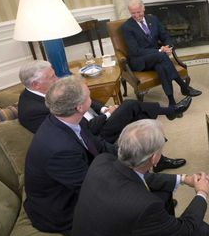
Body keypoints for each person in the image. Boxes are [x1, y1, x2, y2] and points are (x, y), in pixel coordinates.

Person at [70, 119, 209, 236]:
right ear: (154, 158)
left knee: (163, 193)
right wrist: (202, 194)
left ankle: (164, 229)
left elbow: (140, 177)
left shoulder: (102, 161)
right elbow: (184, 232)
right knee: (200, 232)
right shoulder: (144, 206)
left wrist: (183, 179)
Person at [17, 60, 187, 172]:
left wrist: (105, 110)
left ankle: (154, 156)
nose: (57, 78)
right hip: (92, 134)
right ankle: (168, 118)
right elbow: (78, 131)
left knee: (136, 113)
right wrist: (106, 116)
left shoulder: (51, 91)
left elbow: (83, 100)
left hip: (92, 125)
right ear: (36, 84)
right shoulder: (32, 110)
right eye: (51, 76)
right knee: (130, 106)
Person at [24, 76, 117, 235]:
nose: (91, 97)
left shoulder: (68, 119)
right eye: (88, 95)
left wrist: (128, 156)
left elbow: (98, 145)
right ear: (80, 107)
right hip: (62, 209)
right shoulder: (60, 150)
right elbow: (90, 188)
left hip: (77, 182)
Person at [122, 0, 202, 107]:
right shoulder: (127, 27)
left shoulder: (153, 19)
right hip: (139, 60)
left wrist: (168, 47)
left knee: (161, 67)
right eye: (133, 13)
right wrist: (160, 50)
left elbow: (165, 36)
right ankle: (183, 87)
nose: (136, 15)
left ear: (143, 8)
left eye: (139, 12)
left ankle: (172, 102)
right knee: (161, 56)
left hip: (157, 58)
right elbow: (135, 51)